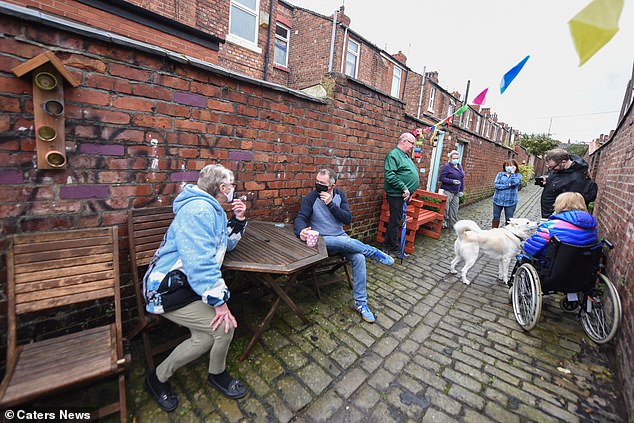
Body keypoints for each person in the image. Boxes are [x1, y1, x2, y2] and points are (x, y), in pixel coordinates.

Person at [143, 164, 248, 412]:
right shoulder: (199, 210)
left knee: (203, 338)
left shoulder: (212, 210)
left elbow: (224, 246)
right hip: (168, 289)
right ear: (223, 188)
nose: (234, 189)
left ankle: (157, 378)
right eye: (232, 185)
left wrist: (239, 220)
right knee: (225, 327)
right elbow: (199, 264)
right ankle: (217, 375)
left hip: (189, 286)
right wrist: (220, 303)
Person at [295, 168, 395, 323]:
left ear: (332, 186)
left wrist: (330, 204)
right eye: (317, 182)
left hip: (341, 237)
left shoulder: (340, 196)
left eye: (322, 183)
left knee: (359, 257)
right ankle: (374, 252)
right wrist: (301, 230)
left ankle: (360, 304)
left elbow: (347, 219)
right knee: (345, 242)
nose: (318, 185)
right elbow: (301, 216)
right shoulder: (312, 197)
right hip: (322, 240)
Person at [523, 192, 598, 258]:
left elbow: (531, 248)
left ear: (560, 205)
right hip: (580, 267)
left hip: (552, 267)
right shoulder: (592, 228)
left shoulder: (550, 226)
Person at [383, 132, 420, 256]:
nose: (412, 147)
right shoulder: (393, 155)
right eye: (412, 144)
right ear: (404, 141)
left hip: (404, 195)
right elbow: (390, 175)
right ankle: (391, 247)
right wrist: (404, 187)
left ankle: (388, 245)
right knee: (395, 221)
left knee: (397, 220)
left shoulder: (405, 156)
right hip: (396, 195)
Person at [536, 148, 595, 218]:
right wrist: (548, 181)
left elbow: (571, 205)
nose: (550, 170)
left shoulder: (577, 178)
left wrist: (555, 217)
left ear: (563, 162)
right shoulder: (560, 168)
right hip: (548, 213)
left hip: (558, 217)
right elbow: (559, 182)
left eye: (552, 167)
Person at [492, 159, 522, 228]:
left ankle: (508, 233)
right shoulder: (500, 174)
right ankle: (494, 232)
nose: (509, 167)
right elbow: (496, 185)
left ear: (515, 167)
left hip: (511, 201)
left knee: (509, 219)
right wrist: (508, 185)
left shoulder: (518, 176)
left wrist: (513, 173)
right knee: (496, 217)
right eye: (507, 165)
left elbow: (515, 183)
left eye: (511, 165)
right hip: (498, 199)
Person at [439, 150, 465, 229]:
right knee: (446, 208)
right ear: (450, 158)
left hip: (456, 192)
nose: (455, 160)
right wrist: (452, 181)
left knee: (454, 208)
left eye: (457, 158)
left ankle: (452, 224)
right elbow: (441, 178)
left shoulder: (459, 166)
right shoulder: (447, 167)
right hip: (448, 190)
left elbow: (461, 179)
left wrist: (461, 190)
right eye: (454, 158)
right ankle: (443, 223)